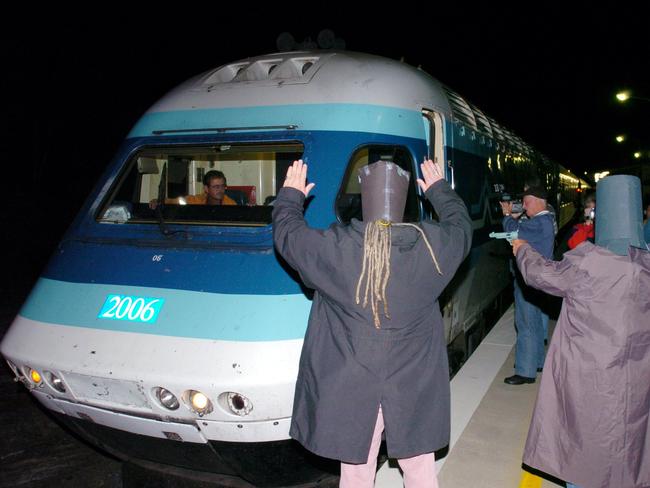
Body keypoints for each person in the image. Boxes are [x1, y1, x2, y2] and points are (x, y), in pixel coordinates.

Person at [272, 159, 472, 487]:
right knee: (419, 466)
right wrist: (440, 191)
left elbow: (288, 235)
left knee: (356, 469)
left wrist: (291, 196)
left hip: (352, 381)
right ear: (406, 198)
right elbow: (461, 226)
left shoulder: (334, 248)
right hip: (413, 381)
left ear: (364, 200)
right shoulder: (433, 248)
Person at [512, 174, 650, 488]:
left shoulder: (589, 263)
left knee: (585, 451)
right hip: (637, 379)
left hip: (590, 378)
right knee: (628, 448)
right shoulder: (645, 264)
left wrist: (522, 250)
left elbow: (540, 275)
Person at [500, 184, 554, 385]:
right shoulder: (545, 221)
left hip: (529, 282)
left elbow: (513, 233)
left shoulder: (540, 222)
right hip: (537, 279)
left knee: (526, 324)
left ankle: (525, 371)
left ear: (538, 201)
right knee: (535, 323)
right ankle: (537, 362)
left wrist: (507, 216)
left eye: (526, 201)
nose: (523, 206)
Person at [149, 170, 236, 208]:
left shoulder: (231, 205)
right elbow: (173, 201)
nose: (220, 190)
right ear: (206, 188)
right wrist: (158, 201)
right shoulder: (194, 201)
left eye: (222, 186)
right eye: (216, 187)